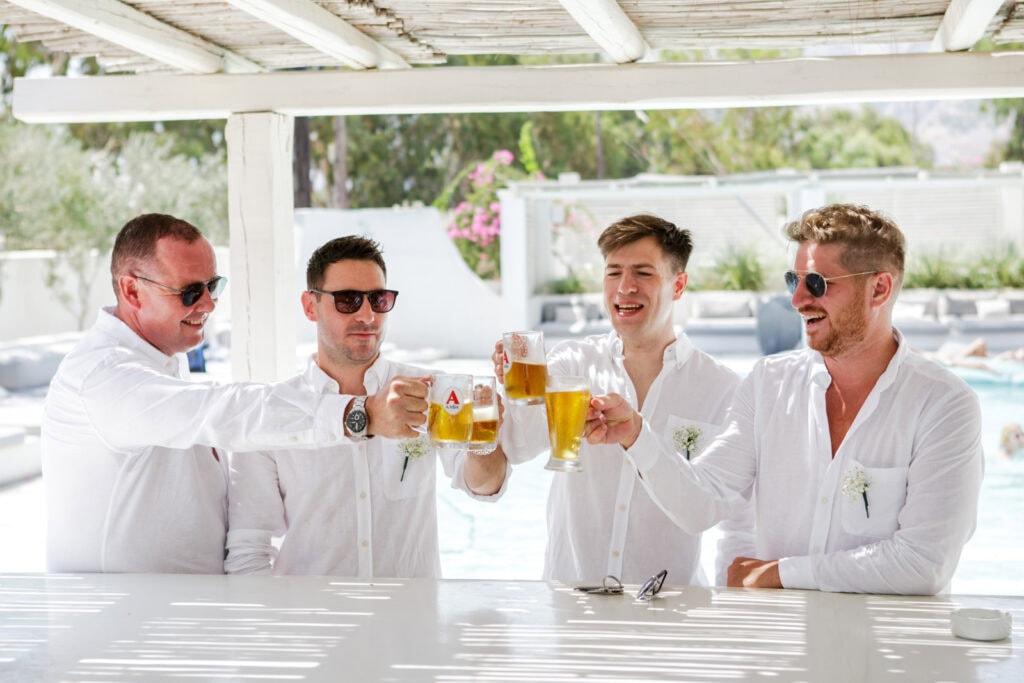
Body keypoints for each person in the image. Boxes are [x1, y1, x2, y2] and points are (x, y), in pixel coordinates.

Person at [587, 204, 984, 595]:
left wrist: (779, 573)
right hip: (782, 634)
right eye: (794, 281)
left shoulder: (943, 405)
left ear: (879, 289)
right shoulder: (768, 384)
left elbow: (923, 564)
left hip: (887, 637)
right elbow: (701, 505)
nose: (797, 301)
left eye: (818, 284)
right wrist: (636, 435)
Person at [41, 214, 395, 574]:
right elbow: (223, 411)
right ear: (132, 290)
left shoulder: (167, 360)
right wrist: (361, 415)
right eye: (190, 292)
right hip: (122, 609)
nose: (209, 304)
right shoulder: (103, 376)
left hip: (175, 605)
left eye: (213, 286)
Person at [225, 236, 509, 577]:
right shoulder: (275, 412)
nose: (367, 315)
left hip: (411, 609)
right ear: (310, 306)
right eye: (348, 300)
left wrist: (482, 440)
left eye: (378, 299)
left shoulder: (432, 391)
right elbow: (249, 552)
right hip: (312, 609)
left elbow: (484, 486)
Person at [495, 214, 753, 585]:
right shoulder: (570, 365)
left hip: (669, 606)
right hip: (570, 603)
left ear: (678, 285)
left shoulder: (722, 389)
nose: (624, 287)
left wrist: (638, 435)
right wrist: (513, 388)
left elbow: (711, 511)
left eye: (643, 273)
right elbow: (517, 448)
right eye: (613, 272)